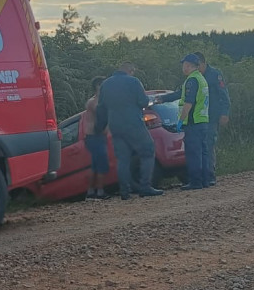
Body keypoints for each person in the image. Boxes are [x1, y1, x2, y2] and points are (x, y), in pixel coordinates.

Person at [94, 61, 164, 200]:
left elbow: (101, 109)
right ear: (131, 70)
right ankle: (145, 187)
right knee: (148, 150)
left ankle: (124, 192)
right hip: (133, 124)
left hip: (115, 126)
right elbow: (143, 102)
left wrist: (99, 128)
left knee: (122, 159)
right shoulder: (133, 81)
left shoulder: (106, 85)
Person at [173, 53, 212, 190]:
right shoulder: (201, 79)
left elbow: (188, 103)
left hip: (193, 122)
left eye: (184, 65)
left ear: (189, 65)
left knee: (193, 153)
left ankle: (195, 182)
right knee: (203, 152)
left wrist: (180, 120)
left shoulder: (192, 80)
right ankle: (205, 180)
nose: (183, 68)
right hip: (203, 121)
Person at [196, 52, 229, 187]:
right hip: (198, 117)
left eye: (197, 65)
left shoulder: (215, 74)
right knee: (198, 146)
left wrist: (225, 113)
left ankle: (209, 176)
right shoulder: (194, 76)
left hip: (211, 115)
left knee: (208, 145)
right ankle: (198, 176)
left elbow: (224, 95)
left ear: (203, 63)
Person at [81, 76, 109, 200]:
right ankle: (98, 192)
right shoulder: (93, 102)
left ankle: (93, 191)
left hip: (98, 136)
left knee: (96, 165)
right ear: (97, 86)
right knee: (99, 165)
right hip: (94, 136)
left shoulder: (99, 100)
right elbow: (101, 113)